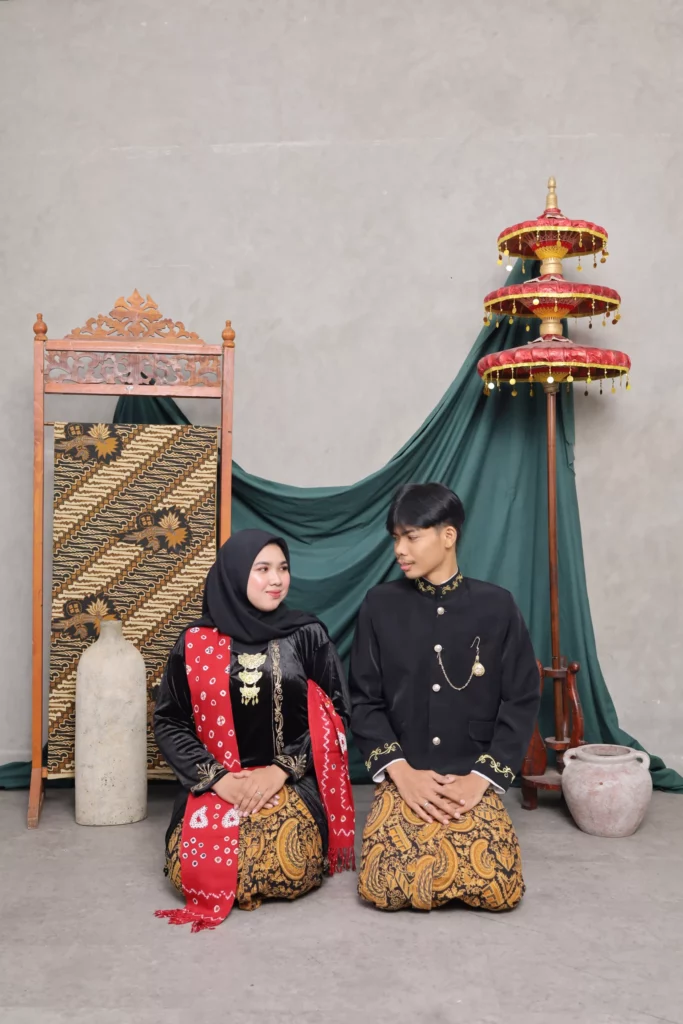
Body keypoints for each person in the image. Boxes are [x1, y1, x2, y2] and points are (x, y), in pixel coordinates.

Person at [349, 483, 540, 913]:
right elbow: (363, 699)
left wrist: (482, 777)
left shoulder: (498, 606)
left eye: (411, 536)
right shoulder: (379, 605)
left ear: (448, 535)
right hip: (405, 772)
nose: (399, 550)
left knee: (498, 886)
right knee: (383, 887)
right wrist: (401, 772)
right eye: (395, 538)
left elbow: (522, 697)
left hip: (471, 773)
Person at [154, 529, 354, 932]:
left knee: (289, 862)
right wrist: (218, 780)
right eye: (262, 569)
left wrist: (280, 770)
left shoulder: (306, 634)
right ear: (234, 573)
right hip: (215, 782)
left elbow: (337, 714)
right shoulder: (194, 641)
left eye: (283, 568)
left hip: (290, 781)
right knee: (186, 866)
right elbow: (169, 720)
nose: (276, 580)